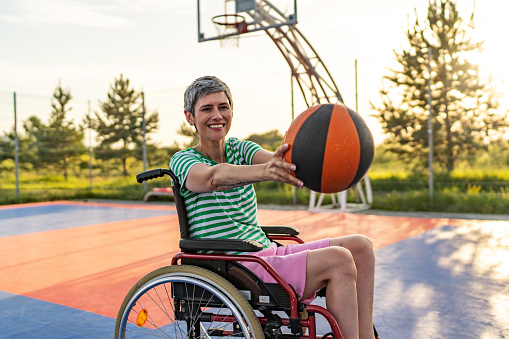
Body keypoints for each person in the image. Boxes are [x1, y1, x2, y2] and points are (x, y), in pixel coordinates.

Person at [170, 75, 376, 339]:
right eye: (206, 109)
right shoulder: (183, 159)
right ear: (190, 117)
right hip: (233, 262)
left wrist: (323, 158)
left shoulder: (240, 148)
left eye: (223, 107)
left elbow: (282, 162)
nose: (217, 115)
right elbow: (212, 177)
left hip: (262, 253)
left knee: (361, 247)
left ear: (232, 110)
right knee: (339, 260)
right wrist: (265, 171)